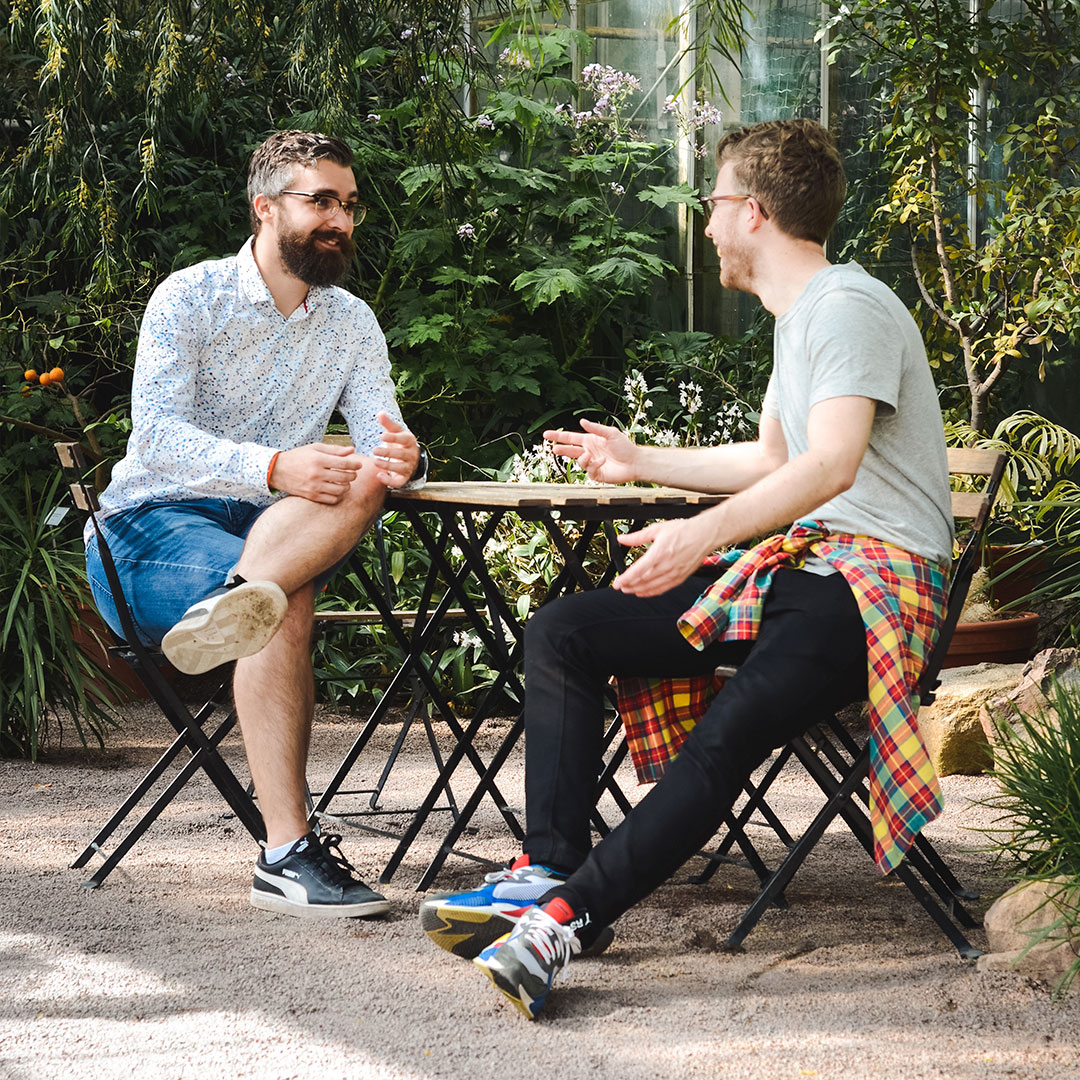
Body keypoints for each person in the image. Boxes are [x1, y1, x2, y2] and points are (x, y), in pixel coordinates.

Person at [419, 118, 955, 1018]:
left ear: (752, 211)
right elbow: (772, 458)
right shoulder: (806, 320)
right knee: (566, 632)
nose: (705, 227)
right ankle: (548, 862)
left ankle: (562, 921)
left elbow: (831, 468)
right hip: (805, 571)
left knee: (732, 727)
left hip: (874, 590)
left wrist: (702, 537)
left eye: (712, 206)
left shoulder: (849, 306)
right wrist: (643, 461)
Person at [85, 130, 425, 920]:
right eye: (321, 201)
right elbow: (156, 436)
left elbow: (384, 437)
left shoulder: (351, 321)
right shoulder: (189, 296)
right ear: (265, 207)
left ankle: (244, 594)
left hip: (273, 532)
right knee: (283, 606)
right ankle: (285, 855)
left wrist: (407, 457)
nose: (340, 219)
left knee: (363, 477)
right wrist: (273, 467)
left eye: (348, 203)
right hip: (150, 528)